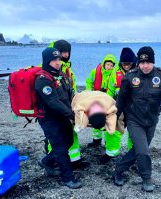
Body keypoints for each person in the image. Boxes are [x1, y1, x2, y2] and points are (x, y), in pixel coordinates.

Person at [113, 46, 161, 192]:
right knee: (143, 151)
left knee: (138, 150)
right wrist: (113, 118)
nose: (145, 66)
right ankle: (146, 178)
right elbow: (121, 100)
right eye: (142, 62)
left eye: (148, 62)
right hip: (134, 119)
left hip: (152, 120)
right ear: (138, 62)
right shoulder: (130, 76)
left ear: (153, 62)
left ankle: (118, 170)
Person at [35, 47, 82, 189]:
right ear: (46, 61)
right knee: (60, 148)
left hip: (63, 116)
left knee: (68, 141)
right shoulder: (42, 80)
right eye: (54, 60)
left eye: (59, 59)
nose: (57, 62)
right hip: (49, 119)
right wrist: (72, 115)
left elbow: (69, 94)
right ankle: (68, 178)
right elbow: (53, 102)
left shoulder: (61, 75)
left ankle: (46, 162)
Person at [47, 40, 84, 168]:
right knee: (56, 137)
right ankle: (53, 160)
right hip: (56, 108)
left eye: (67, 52)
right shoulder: (50, 66)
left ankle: (74, 160)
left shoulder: (67, 68)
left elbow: (70, 86)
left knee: (71, 133)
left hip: (68, 105)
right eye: (62, 52)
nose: (65, 55)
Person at [98, 48, 137, 164]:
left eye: (129, 64)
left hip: (135, 108)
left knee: (134, 132)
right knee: (112, 129)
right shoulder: (114, 73)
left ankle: (133, 153)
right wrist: (106, 105)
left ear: (133, 62)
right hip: (118, 106)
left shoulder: (139, 72)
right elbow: (110, 91)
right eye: (124, 64)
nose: (126, 66)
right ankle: (111, 152)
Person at [85, 54, 116, 149]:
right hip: (95, 99)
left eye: (111, 65)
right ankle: (96, 140)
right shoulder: (95, 72)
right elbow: (88, 82)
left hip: (107, 102)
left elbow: (112, 89)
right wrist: (91, 94)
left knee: (107, 121)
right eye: (108, 64)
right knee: (95, 119)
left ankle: (107, 142)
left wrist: (105, 98)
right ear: (104, 64)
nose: (109, 67)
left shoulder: (114, 75)